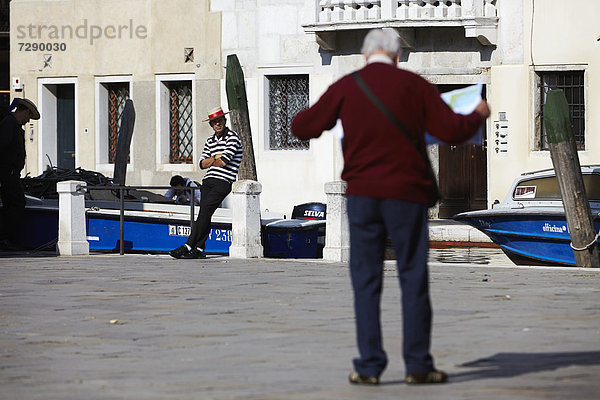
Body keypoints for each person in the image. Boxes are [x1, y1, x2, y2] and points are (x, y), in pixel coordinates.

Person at [291, 29, 490, 386]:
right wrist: (478, 114)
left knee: (366, 280)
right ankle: (417, 365)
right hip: (407, 196)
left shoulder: (347, 86)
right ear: (397, 56)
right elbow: (451, 129)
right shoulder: (414, 86)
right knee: (413, 276)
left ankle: (368, 366)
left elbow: (303, 126)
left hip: (364, 197)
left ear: (367, 56)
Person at [169, 106, 243, 259]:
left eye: (220, 120)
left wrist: (215, 159)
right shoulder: (210, 140)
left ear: (225, 120)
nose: (218, 124)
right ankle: (200, 249)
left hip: (223, 182)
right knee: (205, 214)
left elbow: (223, 162)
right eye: (214, 122)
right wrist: (215, 157)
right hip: (208, 182)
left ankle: (188, 245)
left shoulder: (233, 138)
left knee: (204, 212)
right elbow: (202, 164)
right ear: (211, 125)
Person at [0, 98, 41, 250]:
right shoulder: (9, 125)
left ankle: (7, 237)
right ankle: (6, 238)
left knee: (12, 203)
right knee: (16, 202)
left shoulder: (12, 125)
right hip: (8, 172)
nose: (28, 120)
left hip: (11, 172)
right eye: (29, 116)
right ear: (24, 112)